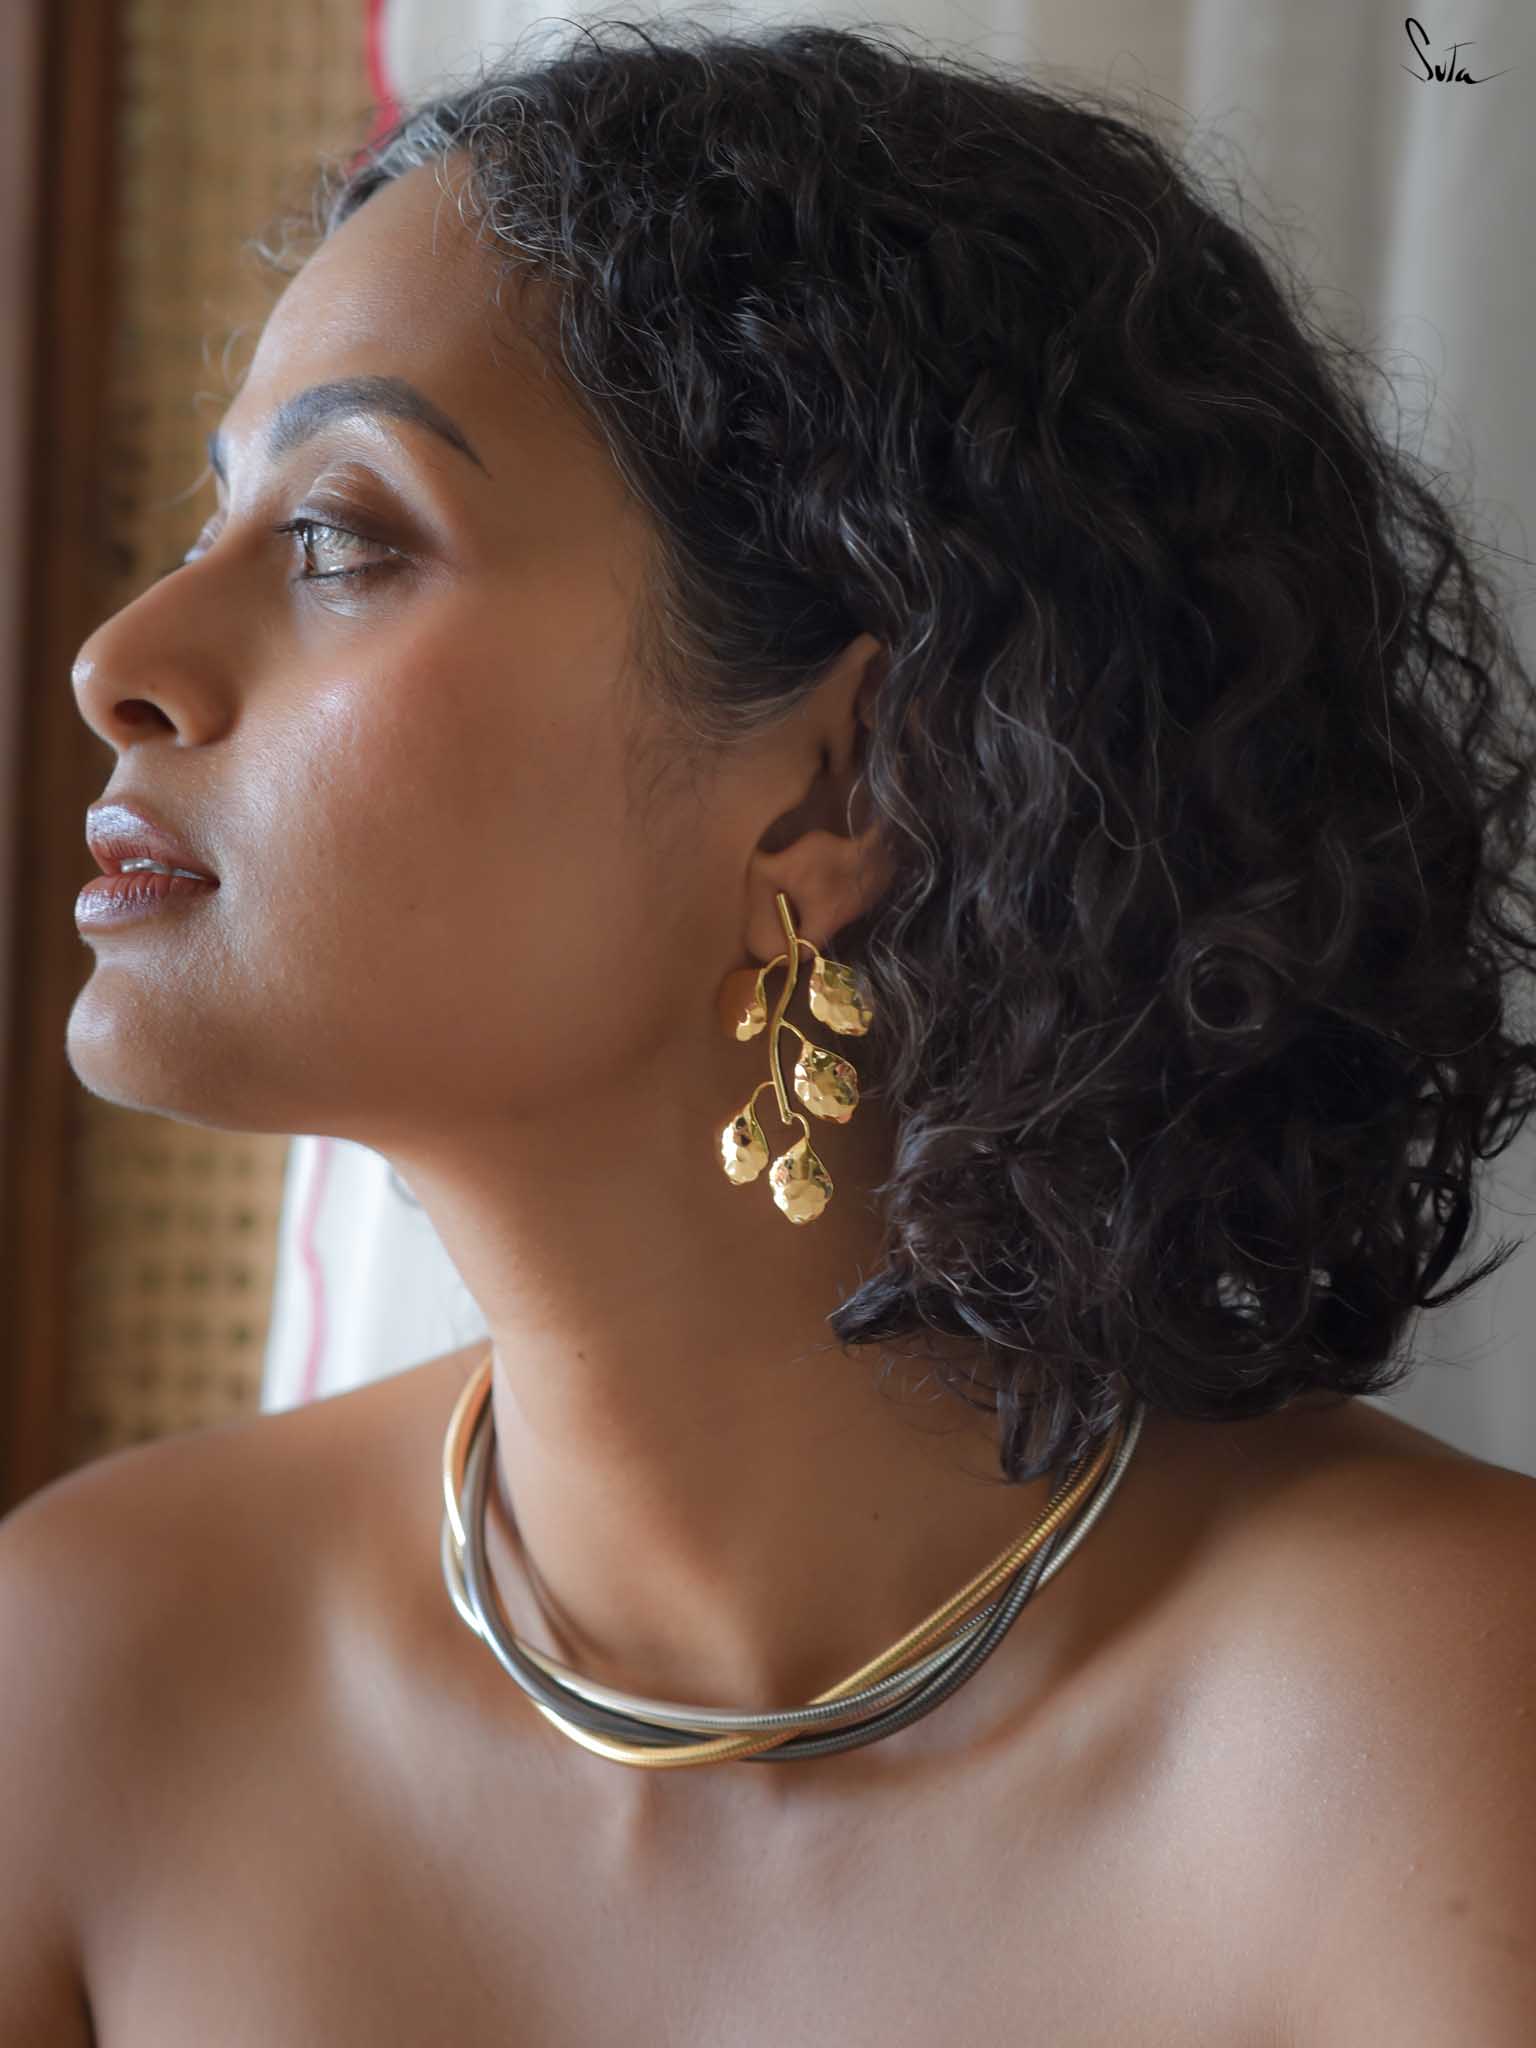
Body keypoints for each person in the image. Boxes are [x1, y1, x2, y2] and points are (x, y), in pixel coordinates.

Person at [6, 19, 1536, 2042]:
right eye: (215, 522)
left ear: (838, 785)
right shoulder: (86, 1680)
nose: (122, 660)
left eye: (337, 538)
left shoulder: (1447, 1732)